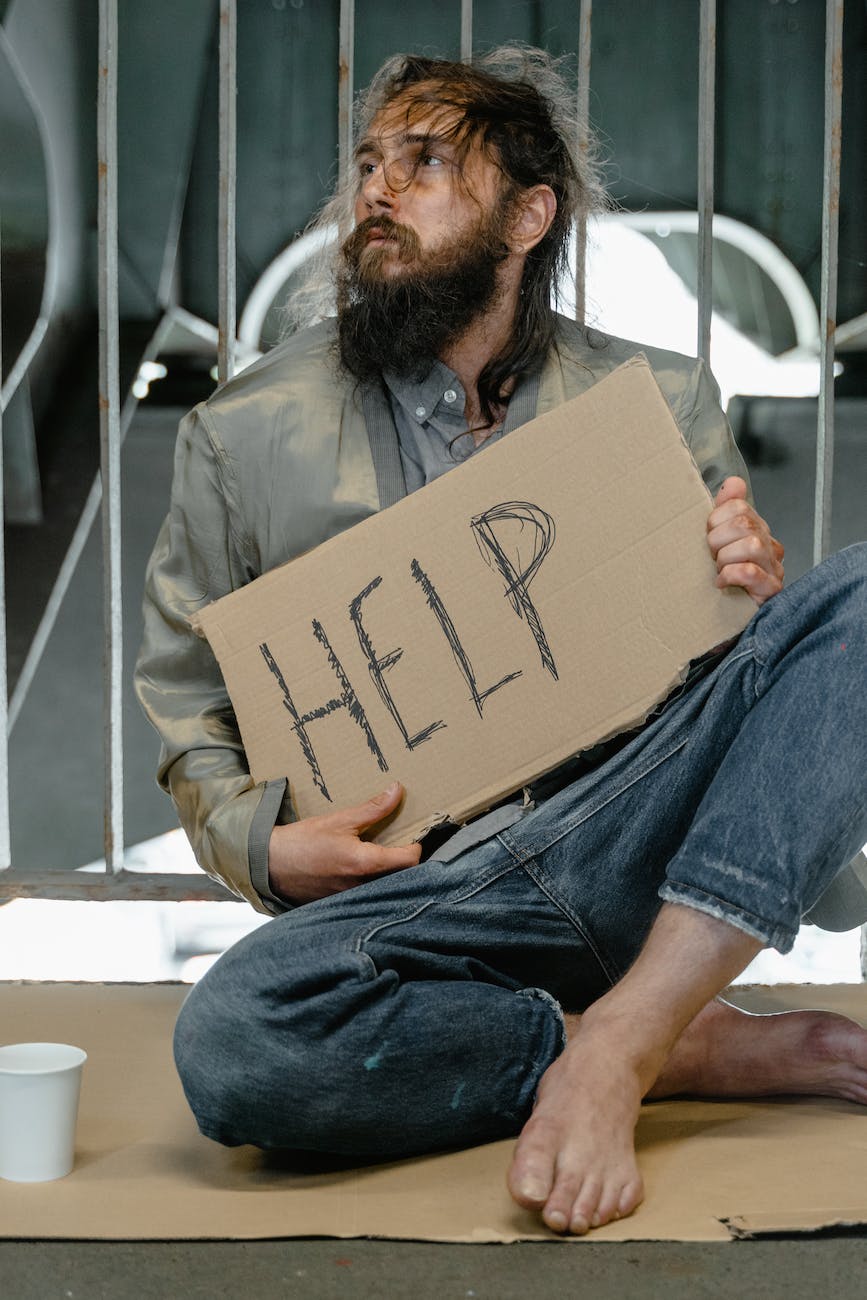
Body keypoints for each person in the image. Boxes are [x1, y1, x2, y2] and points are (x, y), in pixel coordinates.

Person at [136, 48, 867, 1236]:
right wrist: (267, 846)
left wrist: (749, 589)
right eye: (370, 164)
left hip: (638, 835)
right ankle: (672, 1047)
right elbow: (187, 708)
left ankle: (623, 1037)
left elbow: (739, 688)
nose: (375, 188)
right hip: (437, 890)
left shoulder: (660, 397)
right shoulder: (243, 434)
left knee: (862, 604)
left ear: (530, 216)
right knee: (232, 1039)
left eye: (423, 163)